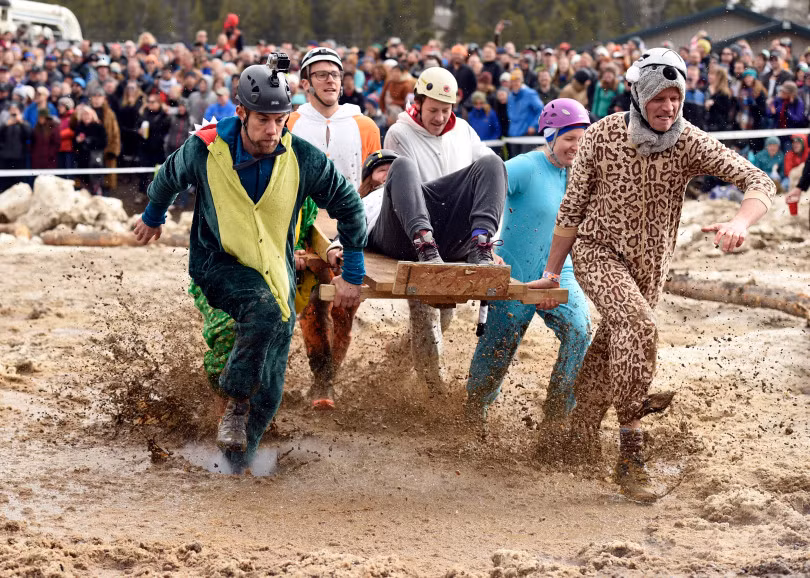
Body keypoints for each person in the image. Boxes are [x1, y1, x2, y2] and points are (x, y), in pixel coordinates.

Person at [529, 48, 775, 503]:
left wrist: (740, 222)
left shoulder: (688, 141)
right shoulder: (602, 136)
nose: (668, 107)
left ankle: (575, 440)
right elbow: (572, 208)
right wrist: (550, 271)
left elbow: (760, 181)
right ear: (639, 97)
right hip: (598, 253)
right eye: (659, 97)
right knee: (638, 326)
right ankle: (631, 454)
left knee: (610, 350)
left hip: (650, 269)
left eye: (676, 97)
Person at [132, 56, 366, 473]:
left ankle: (238, 462)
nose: (272, 130)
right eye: (263, 120)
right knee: (258, 314)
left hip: (275, 273)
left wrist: (352, 270)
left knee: (274, 382)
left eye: (280, 120)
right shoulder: (205, 148)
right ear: (241, 113)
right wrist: (153, 215)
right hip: (216, 263)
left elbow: (349, 205)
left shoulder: (303, 159)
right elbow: (168, 176)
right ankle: (234, 402)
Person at [466, 99, 592, 431]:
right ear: (550, 136)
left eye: (582, 138)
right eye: (569, 138)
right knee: (499, 346)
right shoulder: (525, 166)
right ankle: (473, 411)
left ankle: (557, 415)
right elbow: (484, 195)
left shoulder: (581, 175)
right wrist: (486, 245)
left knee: (579, 332)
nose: (576, 147)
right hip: (515, 269)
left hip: (558, 269)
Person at [383, 66, 507, 389]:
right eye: (433, 110)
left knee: (494, 162)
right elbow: (399, 185)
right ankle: (434, 396)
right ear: (419, 104)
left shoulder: (464, 131)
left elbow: (491, 182)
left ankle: (482, 243)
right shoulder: (400, 133)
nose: (439, 118)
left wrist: (492, 240)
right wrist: (425, 237)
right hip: (413, 228)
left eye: (445, 110)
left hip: (452, 231)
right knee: (427, 310)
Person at [287, 47, 382, 408]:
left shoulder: (364, 125)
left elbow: (375, 180)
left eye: (335, 75)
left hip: (349, 224)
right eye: (322, 74)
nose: (330, 80)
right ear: (306, 82)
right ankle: (320, 381)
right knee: (312, 306)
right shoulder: (291, 122)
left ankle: (328, 379)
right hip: (306, 223)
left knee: (344, 306)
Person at [90, 87, 121, 192]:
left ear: (104, 98)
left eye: (99, 96)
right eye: (94, 96)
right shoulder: (85, 111)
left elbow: (115, 134)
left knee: (105, 183)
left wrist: (113, 151)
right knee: (90, 182)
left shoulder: (109, 114)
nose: (96, 99)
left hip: (106, 150)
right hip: (90, 150)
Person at [74, 104, 107, 196]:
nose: (86, 116)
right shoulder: (79, 127)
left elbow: (103, 142)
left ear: (92, 115)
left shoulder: (98, 126)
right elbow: (75, 146)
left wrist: (90, 140)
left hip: (95, 160)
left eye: (88, 114)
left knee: (96, 185)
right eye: (84, 114)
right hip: (82, 160)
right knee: (84, 188)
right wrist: (78, 141)